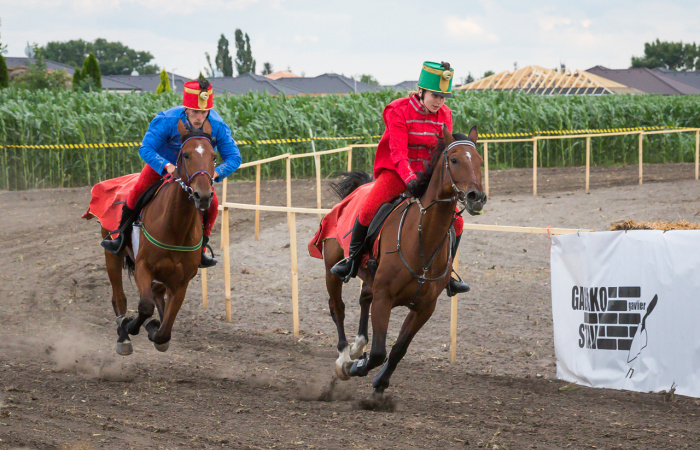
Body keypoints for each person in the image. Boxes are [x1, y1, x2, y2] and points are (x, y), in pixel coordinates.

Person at [331, 61, 470, 296]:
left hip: (428, 176)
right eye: (435, 95)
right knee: (368, 209)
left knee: (457, 222)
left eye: (444, 97)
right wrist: (410, 179)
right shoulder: (398, 110)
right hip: (397, 172)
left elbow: (442, 151)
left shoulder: (445, 114)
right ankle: (352, 260)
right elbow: (397, 152)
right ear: (421, 91)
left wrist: (433, 180)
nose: (439, 101)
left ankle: (448, 274)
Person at [101, 78, 242, 268]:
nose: (199, 117)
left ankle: (202, 247)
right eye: (194, 112)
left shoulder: (217, 125)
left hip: (196, 173)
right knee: (136, 192)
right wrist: (166, 166)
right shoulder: (167, 120)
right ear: (186, 109)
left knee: (213, 203)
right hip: (163, 165)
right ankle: (121, 237)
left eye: (203, 112)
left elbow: (234, 157)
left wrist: (215, 173)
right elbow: (146, 149)